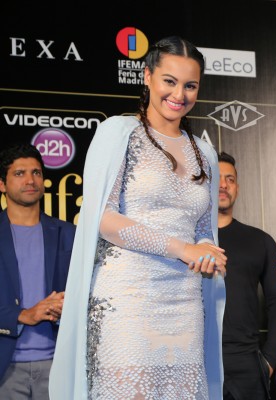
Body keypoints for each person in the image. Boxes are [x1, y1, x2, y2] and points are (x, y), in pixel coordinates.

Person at [48, 36, 227, 400]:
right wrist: (182, 249)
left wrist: (207, 250)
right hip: (126, 299)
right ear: (147, 76)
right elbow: (102, 218)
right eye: (169, 81)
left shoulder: (204, 152)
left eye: (190, 85)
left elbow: (203, 227)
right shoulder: (119, 133)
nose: (179, 94)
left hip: (184, 303)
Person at [0, 143, 76, 400]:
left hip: (60, 365)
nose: (30, 180)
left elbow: (90, 295)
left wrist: (69, 307)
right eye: (19, 173)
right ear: (2, 184)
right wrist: (23, 315)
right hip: (5, 368)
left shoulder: (69, 234)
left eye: (36, 173)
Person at [217, 151, 276, 400]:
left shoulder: (260, 240)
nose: (223, 185)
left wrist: (270, 358)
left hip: (247, 361)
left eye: (230, 179)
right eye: (217, 178)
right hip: (195, 358)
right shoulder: (185, 241)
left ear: (237, 188)